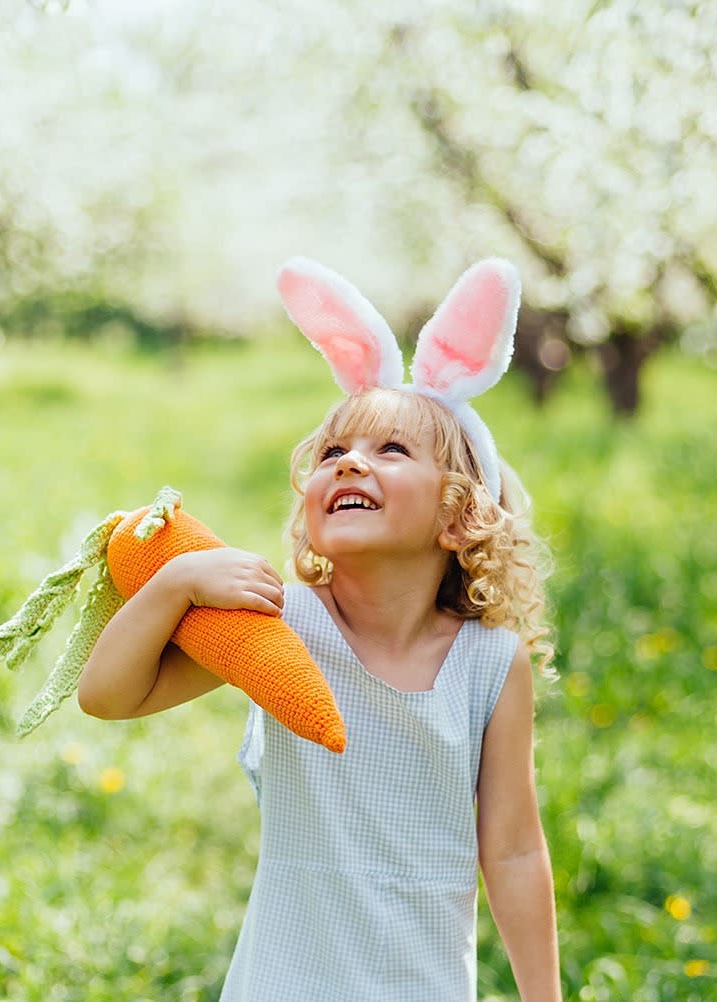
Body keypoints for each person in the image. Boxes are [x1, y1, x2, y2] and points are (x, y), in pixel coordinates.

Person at [77, 257, 561, 1001]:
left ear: (458, 513)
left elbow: (515, 849)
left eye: (389, 451)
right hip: (282, 980)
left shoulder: (490, 664)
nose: (349, 465)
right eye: (332, 453)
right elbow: (109, 697)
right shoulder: (281, 622)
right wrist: (173, 585)